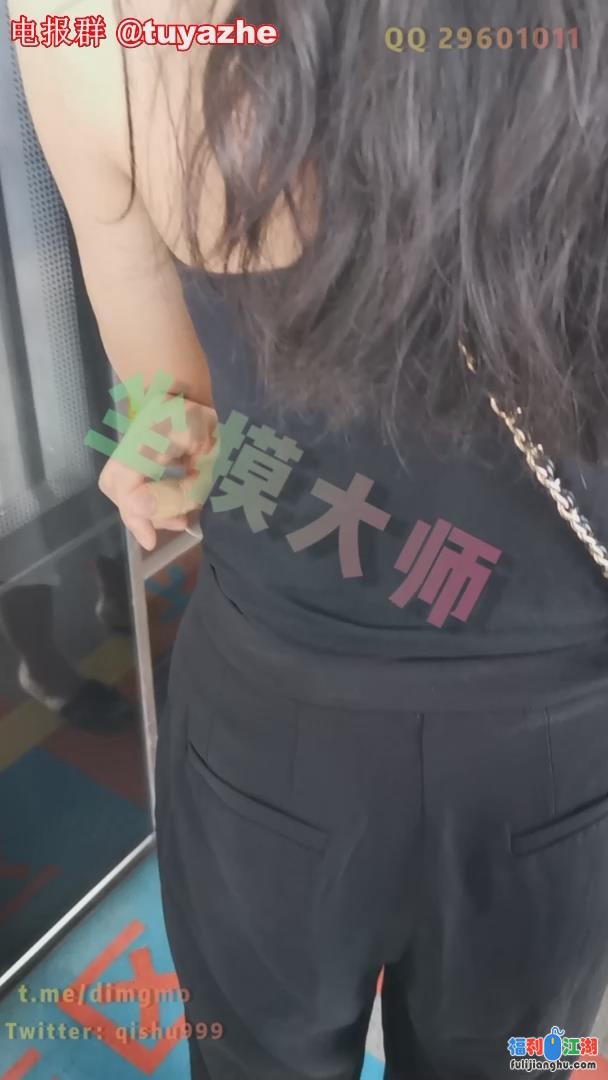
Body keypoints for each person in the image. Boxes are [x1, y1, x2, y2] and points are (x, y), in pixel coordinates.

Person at [12, 1, 608, 1076]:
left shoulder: (93, 27)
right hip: (566, 770)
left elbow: (175, 426)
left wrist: (165, 456)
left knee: (251, 1058)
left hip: (273, 741)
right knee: (525, 1060)